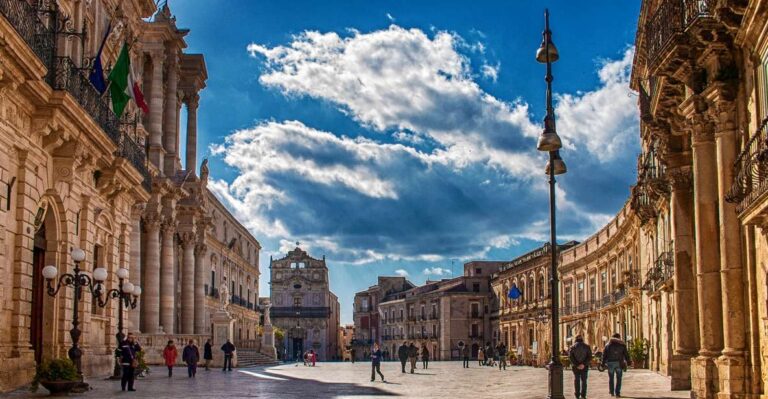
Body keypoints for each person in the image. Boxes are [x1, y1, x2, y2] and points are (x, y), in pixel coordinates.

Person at [601, 333, 630, 398]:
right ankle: (617, 393)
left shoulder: (607, 345)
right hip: (619, 363)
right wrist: (629, 361)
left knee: (611, 378)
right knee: (619, 378)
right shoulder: (622, 345)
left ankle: (611, 392)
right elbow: (626, 354)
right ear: (619, 337)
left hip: (610, 363)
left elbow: (604, 355)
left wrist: (602, 363)